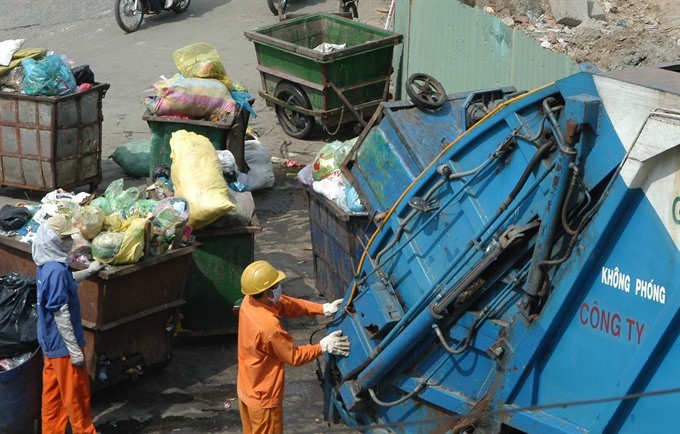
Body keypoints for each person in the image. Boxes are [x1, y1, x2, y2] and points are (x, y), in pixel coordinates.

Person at [237, 260, 350, 434]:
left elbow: (284, 303)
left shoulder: (249, 301)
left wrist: (322, 308)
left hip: (247, 387)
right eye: (276, 286)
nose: (279, 288)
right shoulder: (269, 328)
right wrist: (322, 346)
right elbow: (293, 357)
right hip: (264, 398)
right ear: (267, 293)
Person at [31, 214, 103, 434]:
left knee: (52, 398)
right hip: (64, 348)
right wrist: (74, 351)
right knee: (76, 397)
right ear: (53, 240)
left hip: (50, 345)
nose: (68, 241)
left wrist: (87, 272)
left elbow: (65, 283)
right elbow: (60, 311)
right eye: (63, 238)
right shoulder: (55, 270)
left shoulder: (45, 264)